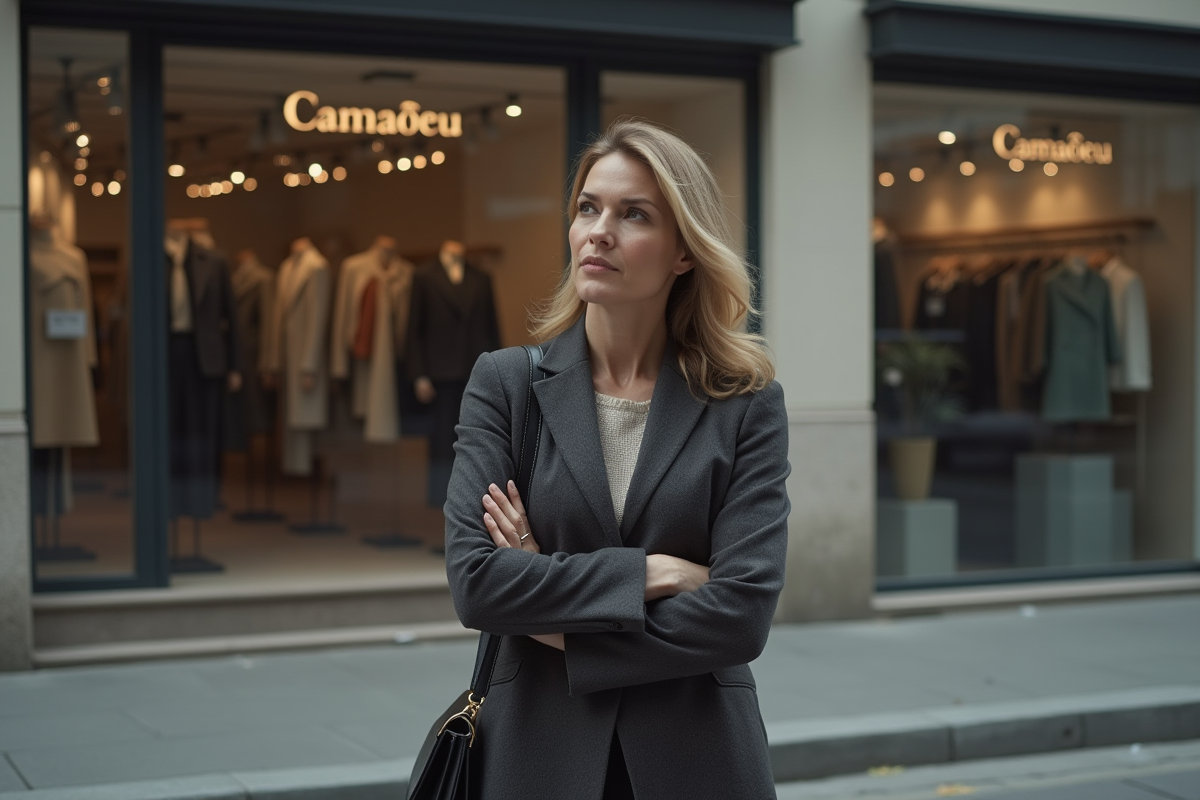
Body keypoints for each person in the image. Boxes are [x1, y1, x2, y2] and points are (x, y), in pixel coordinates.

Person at [444, 119, 791, 800]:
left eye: (634, 214)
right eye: (588, 208)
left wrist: (549, 604)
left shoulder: (745, 404)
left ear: (684, 252)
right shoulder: (506, 385)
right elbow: (479, 584)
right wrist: (652, 573)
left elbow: (741, 613)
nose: (599, 231)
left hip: (698, 760)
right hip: (534, 755)